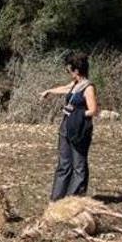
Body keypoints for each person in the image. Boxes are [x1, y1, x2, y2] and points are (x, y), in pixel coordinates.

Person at [40, 52, 99, 201]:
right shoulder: (74, 85)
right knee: (64, 164)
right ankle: (57, 199)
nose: (69, 73)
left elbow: (93, 110)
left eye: (69, 70)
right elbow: (64, 89)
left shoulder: (88, 87)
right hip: (66, 128)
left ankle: (73, 198)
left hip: (79, 129)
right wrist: (49, 91)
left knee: (78, 165)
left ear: (76, 70)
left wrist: (77, 114)